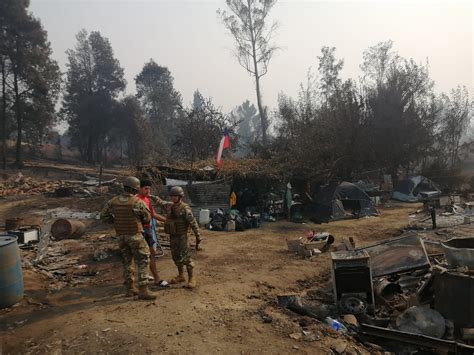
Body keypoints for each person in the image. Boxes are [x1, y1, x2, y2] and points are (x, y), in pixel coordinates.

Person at [100, 176, 156, 300]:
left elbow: (103, 216)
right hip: (135, 234)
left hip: (121, 236)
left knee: (127, 261)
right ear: (136, 189)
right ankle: (143, 290)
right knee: (143, 259)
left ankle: (130, 288)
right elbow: (147, 217)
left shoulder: (113, 201)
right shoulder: (137, 202)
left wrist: (116, 221)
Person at [160, 186, 202, 289]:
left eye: (175, 196)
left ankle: (191, 278)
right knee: (176, 257)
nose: (173, 198)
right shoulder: (171, 207)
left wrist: (198, 236)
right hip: (173, 236)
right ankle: (181, 276)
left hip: (183, 237)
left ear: (180, 196)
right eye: (172, 196)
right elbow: (159, 202)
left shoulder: (185, 208)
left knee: (186, 258)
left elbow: (193, 222)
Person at [136, 179, 168, 287]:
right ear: (139, 188)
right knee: (139, 255)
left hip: (147, 230)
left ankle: (155, 278)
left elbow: (153, 214)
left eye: (149, 188)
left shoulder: (147, 200)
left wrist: (167, 220)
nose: (148, 191)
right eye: (145, 188)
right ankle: (148, 278)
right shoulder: (135, 200)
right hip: (137, 230)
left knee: (151, 253)